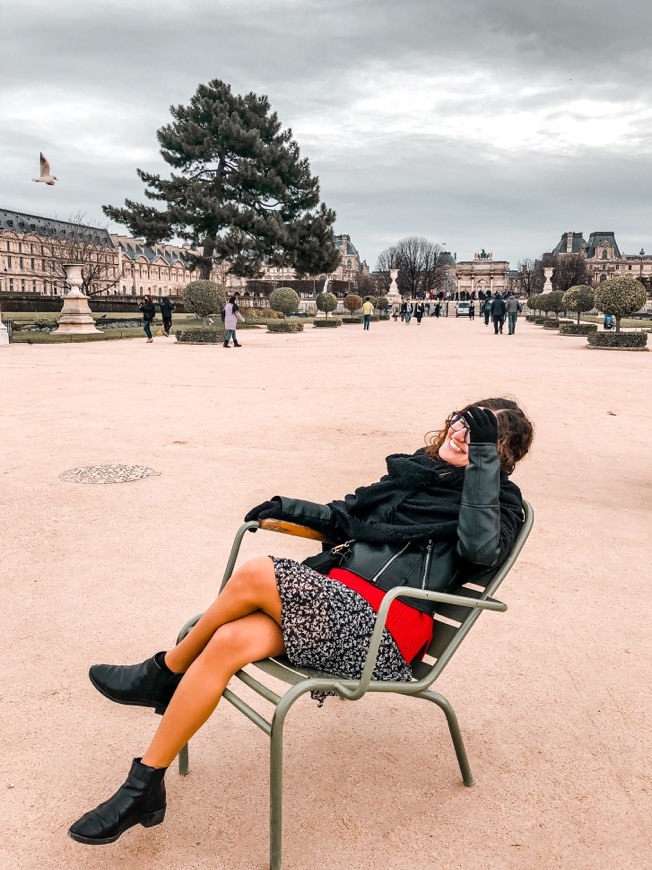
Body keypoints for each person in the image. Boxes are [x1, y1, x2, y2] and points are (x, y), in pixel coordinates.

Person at [68, 398, 534, 846]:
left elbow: (479, 551)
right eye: (462, 419)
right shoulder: (415, 473)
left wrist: (479, 473)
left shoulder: (499, 502)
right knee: (227, 640)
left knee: (256, 572)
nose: (460, 431)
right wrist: (286, 508)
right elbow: (345, 518)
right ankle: (144, 786)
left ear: (498, 454)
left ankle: (164, 673)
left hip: (384, 630)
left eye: (479, 433)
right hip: (332, 606)